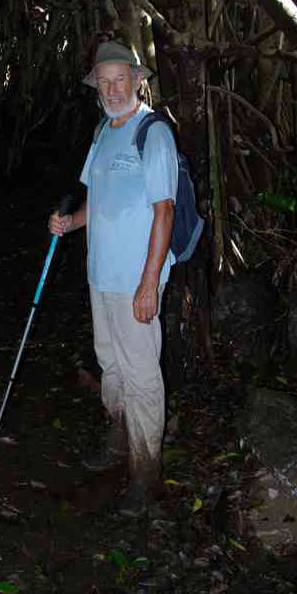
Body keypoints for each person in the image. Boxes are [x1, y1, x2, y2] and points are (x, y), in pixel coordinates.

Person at [49, 40, 178, 518]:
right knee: (112, 365)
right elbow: (98, 203)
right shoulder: (104, 132)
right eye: (102, 82)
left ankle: (147, 476)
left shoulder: (154, 133)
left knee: (142, 375)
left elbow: (164, 213)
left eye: (118, 79)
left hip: (135, 282)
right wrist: (70, 223)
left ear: (136, 80)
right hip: (100, 277)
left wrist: (149, 285)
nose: (110, 88)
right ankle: (120, 439)